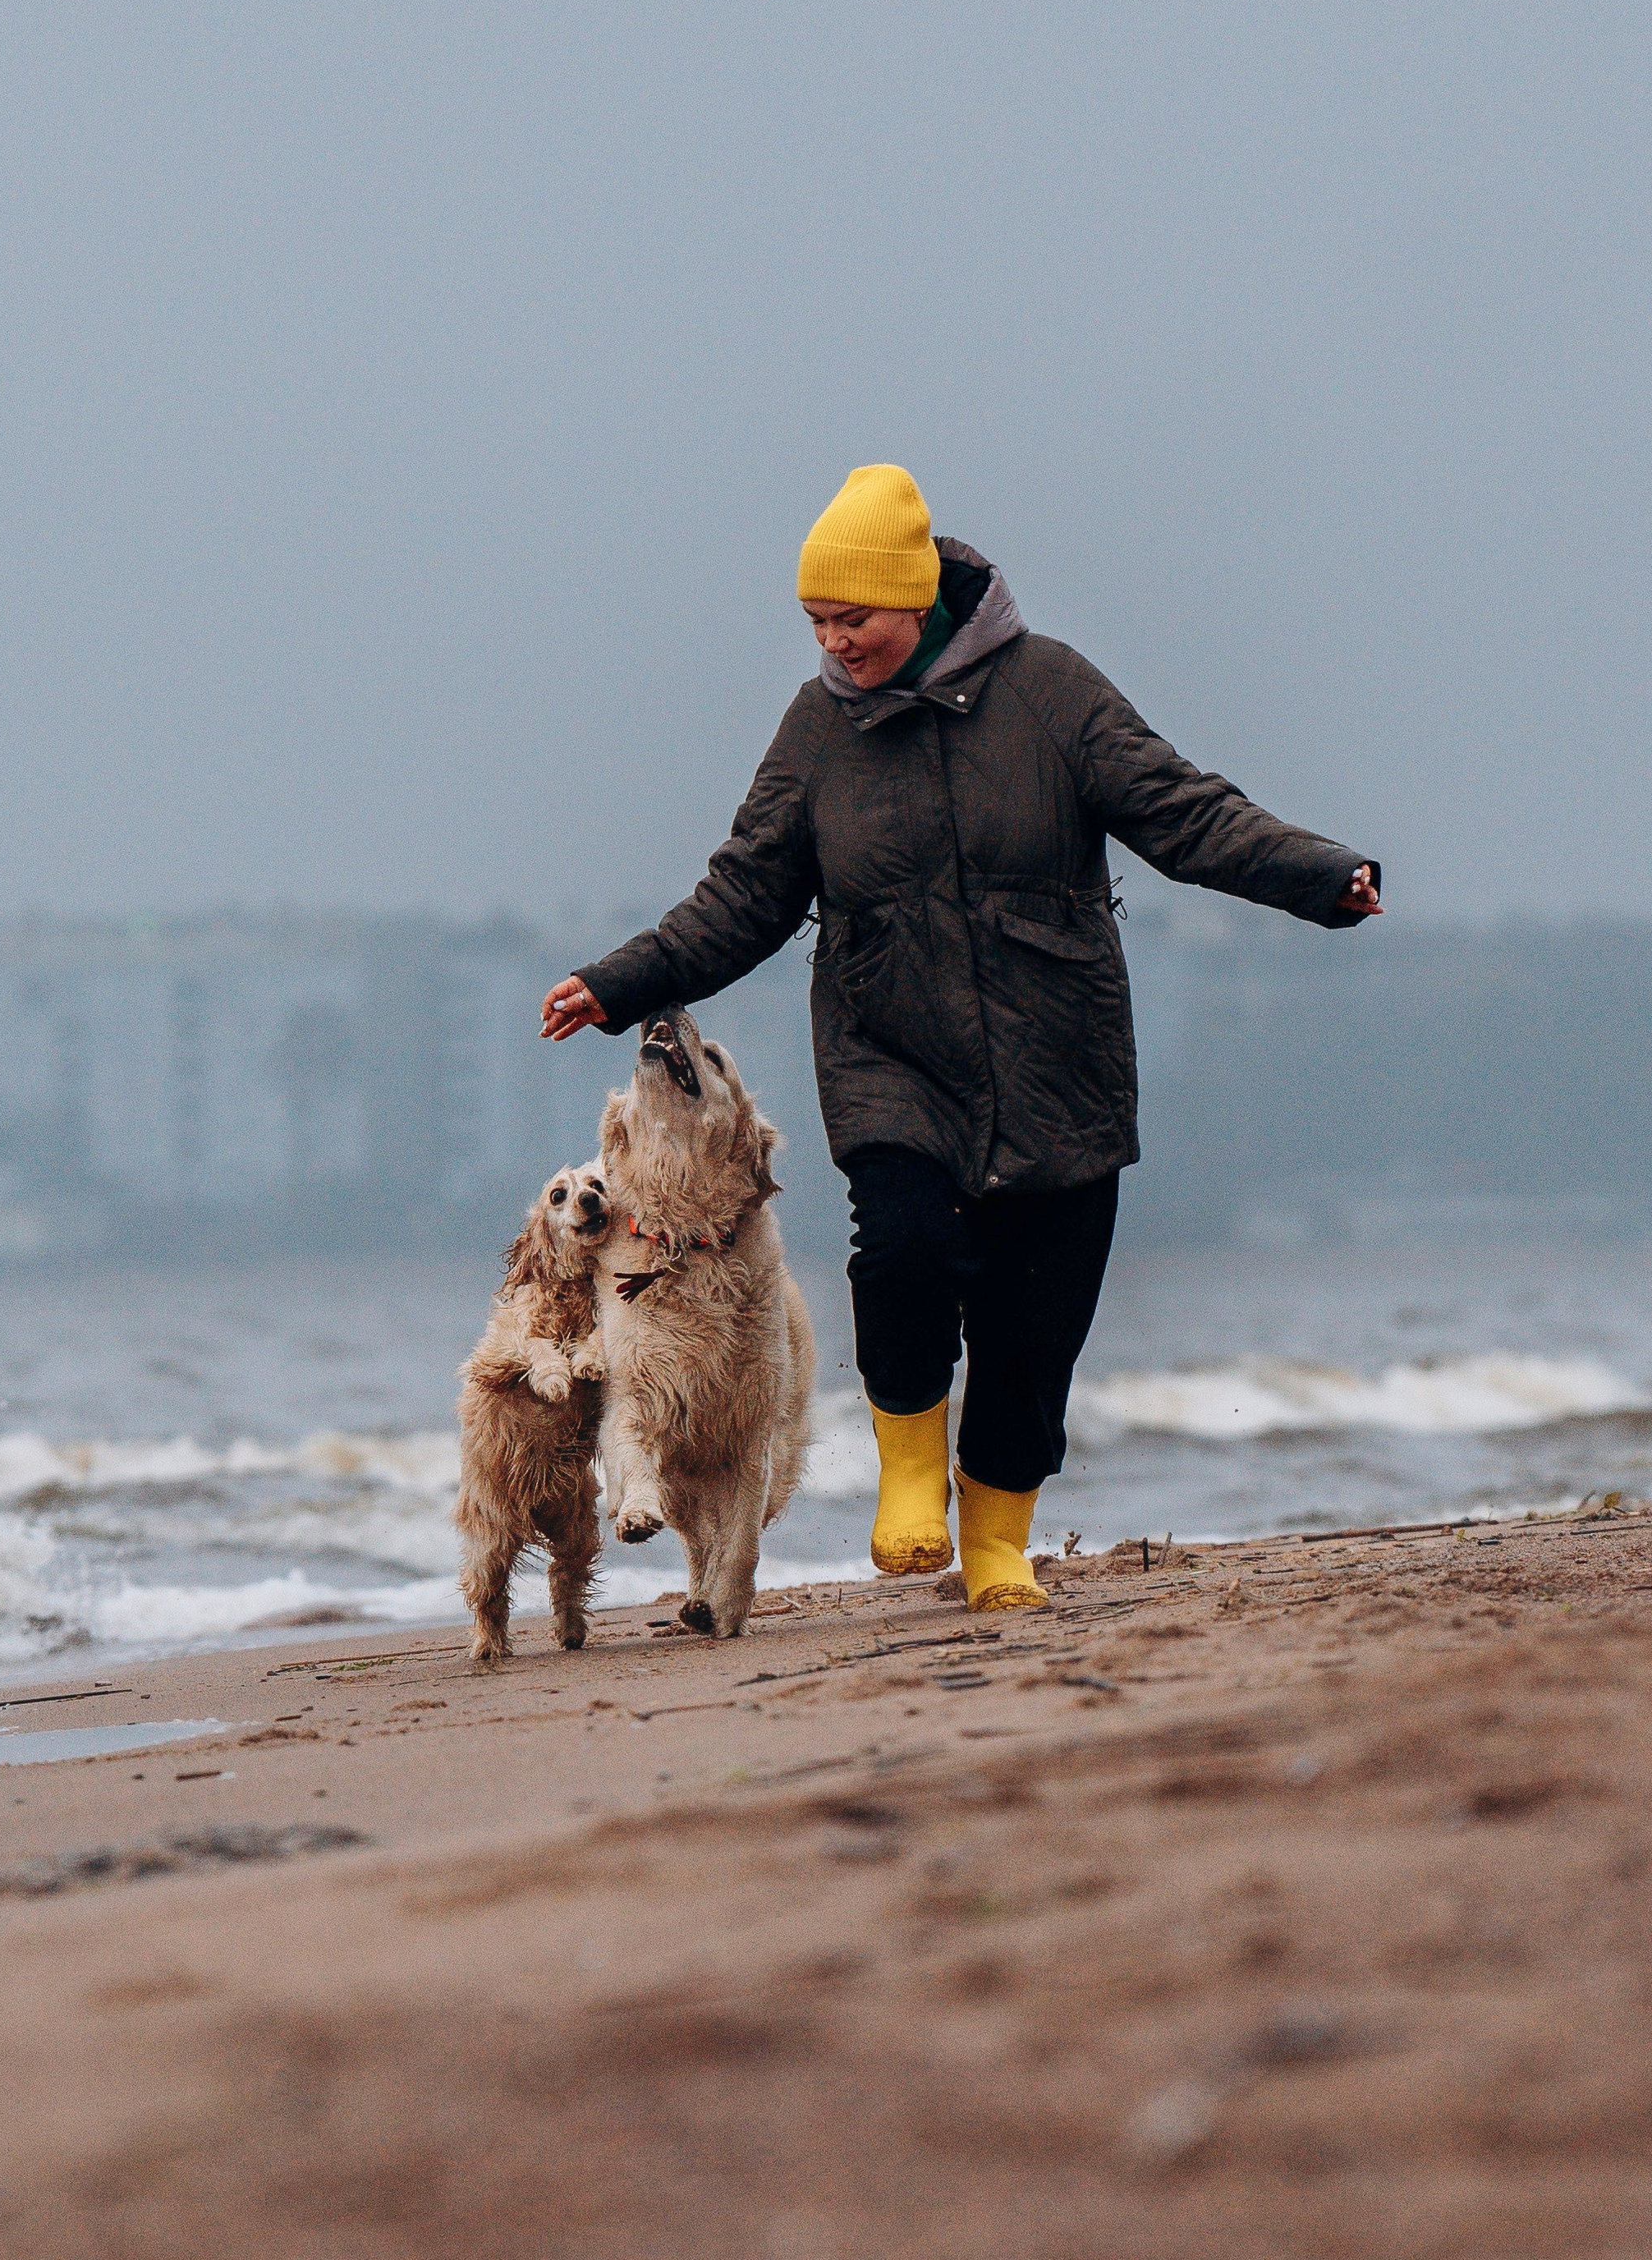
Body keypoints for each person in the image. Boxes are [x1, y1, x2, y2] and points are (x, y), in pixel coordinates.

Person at [542, 464, 1380, 1613]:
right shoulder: (817, 733)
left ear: (920, 596)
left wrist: (1322, 876)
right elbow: (742, 896)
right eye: (817, 622)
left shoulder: (1052, 694)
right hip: (893, 1058)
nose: (835, 643)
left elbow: (1181, 810)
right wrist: (616, 979)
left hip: (1060, 1061)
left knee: (1037, 1324)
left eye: (856, 619)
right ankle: (908, 1474)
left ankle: (996, 1542)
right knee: (903, 1253)